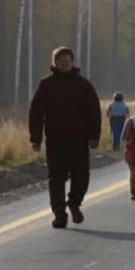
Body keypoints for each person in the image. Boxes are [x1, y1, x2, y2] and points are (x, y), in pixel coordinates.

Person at [28, 46, 101, 229]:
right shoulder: (46, 85)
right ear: (54, 63)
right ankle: (59, 213)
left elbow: (94, 112)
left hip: (79, 139)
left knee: (81, 175)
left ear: (72, 62)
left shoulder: (83, 85)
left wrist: (94, 136)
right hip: (55, 140)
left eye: (66, 61)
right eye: (59, 62)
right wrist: (35, 139)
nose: (63, 64)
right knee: (56, 178)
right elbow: (36, 113)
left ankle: (74, 202)